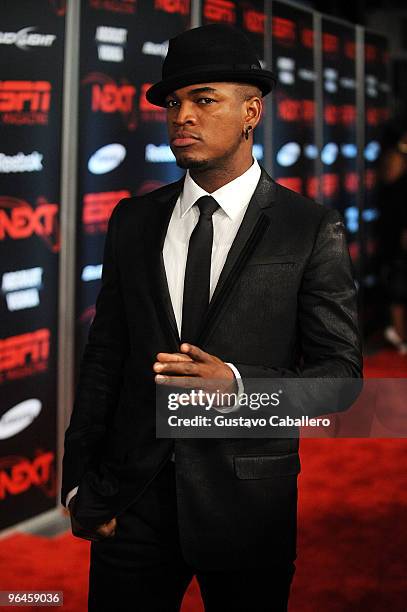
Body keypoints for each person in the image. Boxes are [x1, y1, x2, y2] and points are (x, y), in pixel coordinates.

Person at [62, 24, 362, 611]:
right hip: (132, 500)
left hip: (246, 503)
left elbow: (341, 379)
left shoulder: (309, 227)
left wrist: (241, 388)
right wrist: (79, 484)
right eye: (174, 103)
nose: (182, 117)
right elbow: (105, 357)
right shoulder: (133, 220)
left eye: (204, 99)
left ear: (251, 111)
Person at [377, 127, 407, 355]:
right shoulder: (394, 156)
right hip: (396, 228)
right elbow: (390, 180)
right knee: (398, 279)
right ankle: (398, 332)